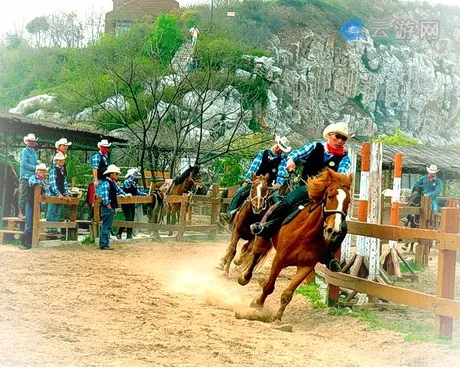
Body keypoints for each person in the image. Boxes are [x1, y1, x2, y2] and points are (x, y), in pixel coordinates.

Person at [250, 121, 352, 271]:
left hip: (327, 195)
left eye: (343, 139)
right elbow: (296, 154)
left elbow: (339, 177)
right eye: (338, 137)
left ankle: (328, 255)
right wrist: (291, 160)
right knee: (285, 203)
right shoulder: (315, 146)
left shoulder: (345, 159)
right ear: (330, 136)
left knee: (342, 226)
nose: (340, 141)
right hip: (306, 187)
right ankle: (266, 227)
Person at [220, 135, 291, 224]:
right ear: (276, 144)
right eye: (279, 147)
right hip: (255, 182)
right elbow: (254, 166)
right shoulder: (263, 153)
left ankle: (278, 223)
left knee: (277, 200)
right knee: (240, 192)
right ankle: (230, 213)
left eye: (281, 150)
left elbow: (281, 172)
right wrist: (248, 178)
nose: (279, 150)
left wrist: (278, 183)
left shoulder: (282, 160)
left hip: (268, 185)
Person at [20, 163, 51, 250]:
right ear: (37, 171)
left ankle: (30, 242)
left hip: (37, 205)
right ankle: (23, 242)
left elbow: (47, 192)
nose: (42, 172)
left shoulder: (44, 181)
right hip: (30, 203)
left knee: (35, 224)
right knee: (29, 224)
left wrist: (45, 191)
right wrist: (43, 187)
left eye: (43, 171)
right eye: (40, 170)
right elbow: (33, 183)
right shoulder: (33, 178)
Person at [98, 164, 130, 250]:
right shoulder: (107, 183)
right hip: (108, 207)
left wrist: (125, 194)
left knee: (106, 225)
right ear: (111, 174)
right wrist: (109, 206)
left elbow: (119, 191)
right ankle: (104, 244)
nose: (117, 175)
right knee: (106, 226)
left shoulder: (112, 183)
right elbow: (105, 197)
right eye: (116, 173)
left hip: (110, 207)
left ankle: (103, 243)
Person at [117, 167, 147, 240]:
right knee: (128, 218)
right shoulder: (127, 182)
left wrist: (143, 194)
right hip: (126, 203)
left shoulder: (134, 184)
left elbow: (137, 192)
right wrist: (136, 172)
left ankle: (129, 235)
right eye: (136, 176)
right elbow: (130, 181)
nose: (137, 177)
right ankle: (119, 232)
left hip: (132, 202)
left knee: (131, 219)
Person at [46, 152, 71, 232]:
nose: (62, 162)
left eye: (63, 160)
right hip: (54, 194)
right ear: (56, 161)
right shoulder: (53, 170)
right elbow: (53, 184)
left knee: (57, 212)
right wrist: (58, 193)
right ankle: (49, 229)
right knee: (52, 211)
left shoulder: (62, 171)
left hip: (60, 194)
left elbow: (65, 183)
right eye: (60, 160)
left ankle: (54, 229)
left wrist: (66, 193)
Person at [18, 133, 39, 219]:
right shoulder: (24, 152)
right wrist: (35, 167)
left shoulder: (33, 152)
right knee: (23, 194)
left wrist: (38, 164)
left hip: (32, 178)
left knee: (30, 196)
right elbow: (23, 164)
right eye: (30, 141)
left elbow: (36, 161)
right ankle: (20, 213)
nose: (32, 143)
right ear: (27, 142)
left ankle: (29, 213)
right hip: (25, 177)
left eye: (33, 141)